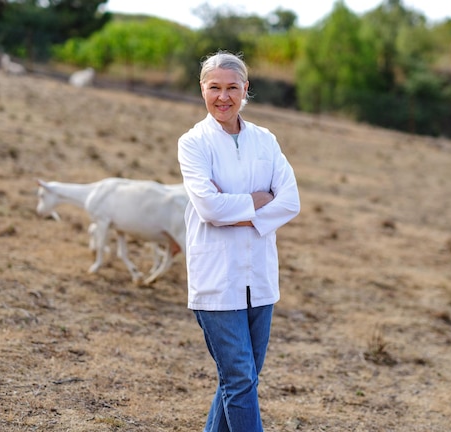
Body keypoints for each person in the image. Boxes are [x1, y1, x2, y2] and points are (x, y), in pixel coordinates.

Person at [177, 50, 301, 432]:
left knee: (240, 379)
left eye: (232, 88)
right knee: (240, 380)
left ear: (246, 89)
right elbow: (210, 209)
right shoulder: (193, 143)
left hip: (260, 280)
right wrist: (257, 201)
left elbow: (291, 201)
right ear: (202, 89)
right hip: (216, 279)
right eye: (215, 87)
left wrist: (237, 211)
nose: (223, 97)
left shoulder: (265, 140)